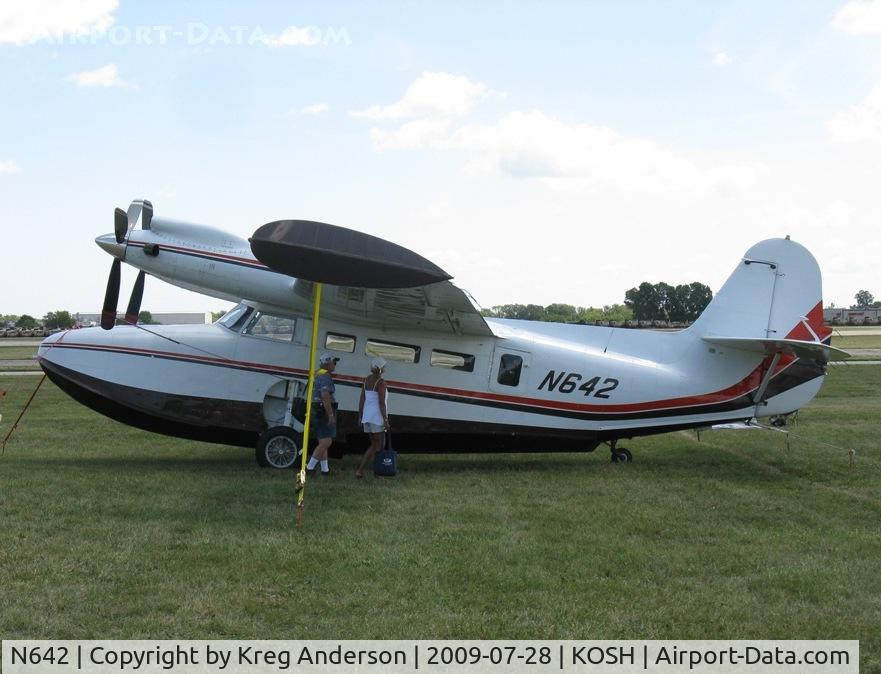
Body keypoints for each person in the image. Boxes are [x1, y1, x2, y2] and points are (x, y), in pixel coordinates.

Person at [305, 352, 339, 476]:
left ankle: (325, 470)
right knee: (327, 442)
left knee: (322, 441)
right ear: (327, 363)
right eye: (334, 362)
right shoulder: (325, 376)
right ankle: (309, 468)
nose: (335, 365)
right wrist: (330, 414)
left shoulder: (317, 373)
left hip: (315, 408)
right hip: (322, 410)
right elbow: (325, 396)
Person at [356, 356, 390, 478]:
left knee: (375, 445)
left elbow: (362, 399)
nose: (385, 368)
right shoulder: (381, 382)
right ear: (380, 369)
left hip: (367, 416)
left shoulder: (366, 380)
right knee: (379, 445)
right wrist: (385, 419)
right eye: (384, 367)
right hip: (377, 417)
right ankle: (366, 471)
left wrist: (360, 416)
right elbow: (381, 402)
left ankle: (372, 471)